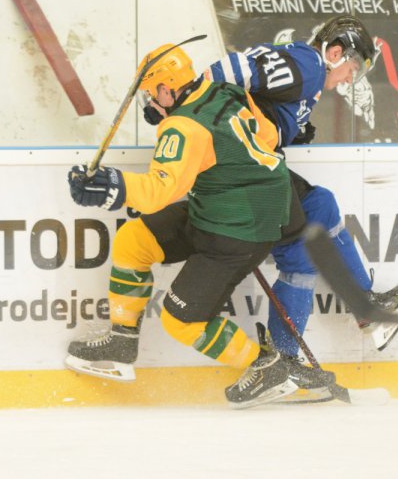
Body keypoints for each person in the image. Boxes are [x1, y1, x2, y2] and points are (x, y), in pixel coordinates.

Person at [64, 43, 304, 409]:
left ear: (166, 89)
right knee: (133, 239)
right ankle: (122, 342)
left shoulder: (182, 126)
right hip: (226, 211)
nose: (150, 103)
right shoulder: (225, 91)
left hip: (238, 229)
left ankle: (266, 367)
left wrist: (111, 185)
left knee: (181, 321)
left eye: (151, 94)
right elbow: (269, 136)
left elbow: (158, 192)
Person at [202, 15, 398, 399]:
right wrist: (187, 101)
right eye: (352, 67)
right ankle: (283, 361)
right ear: (335, 53)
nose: (350, 78)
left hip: (250, 169)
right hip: (242, 173)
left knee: (320, 205)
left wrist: (288, 126)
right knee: (301, 249)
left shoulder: (307, 72)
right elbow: (233, 69)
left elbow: (254, 91)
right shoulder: (309, 65)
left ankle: (357, 312)